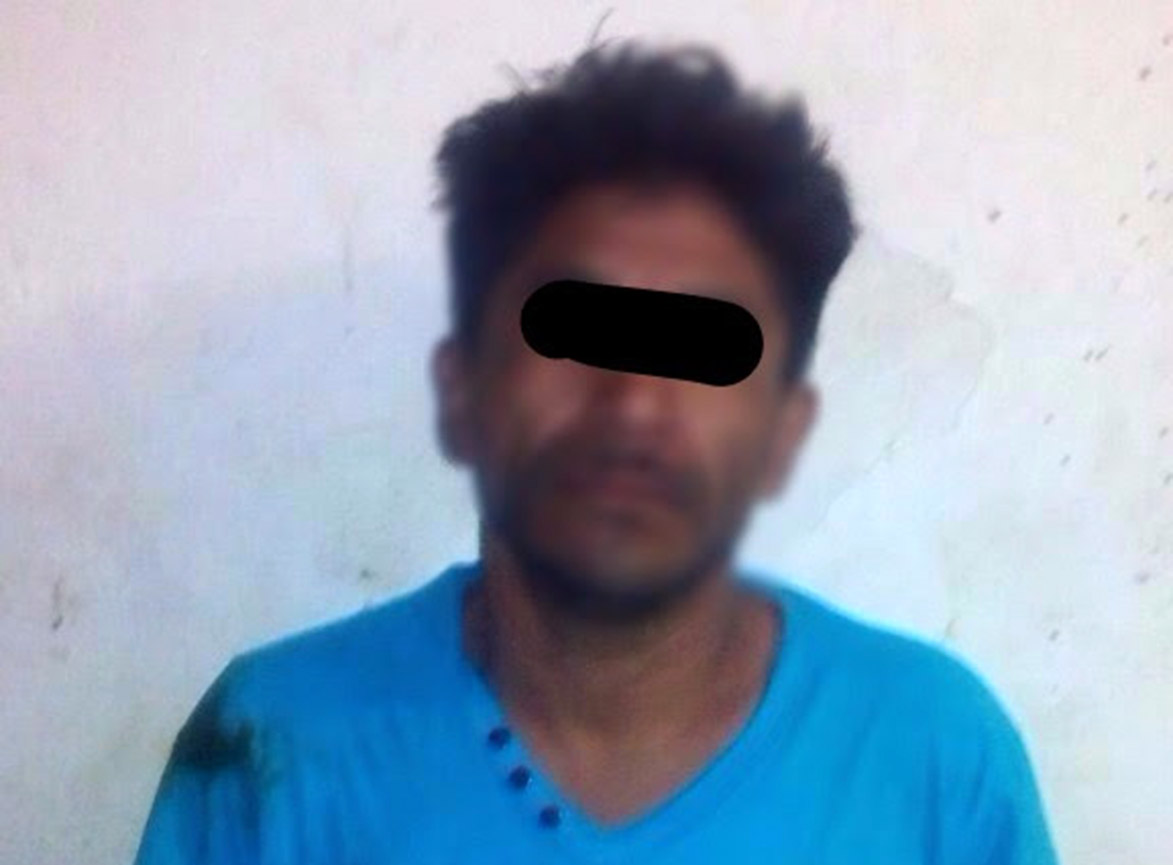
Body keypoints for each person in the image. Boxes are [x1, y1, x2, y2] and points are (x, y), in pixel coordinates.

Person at [133, 39, 1060, 864]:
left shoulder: (936, 762)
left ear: (781, 431)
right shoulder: (270, 753)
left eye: (700, 347)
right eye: (573, 328)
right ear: (463, 391)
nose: (633, 401)